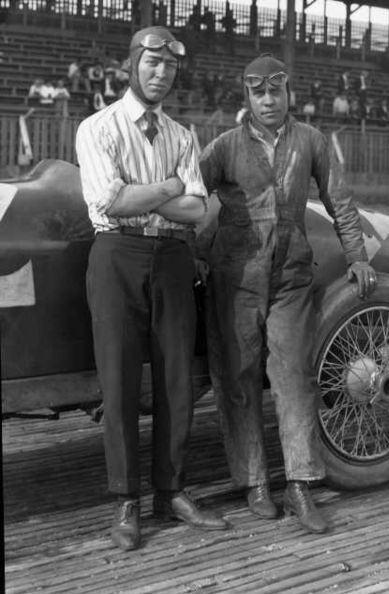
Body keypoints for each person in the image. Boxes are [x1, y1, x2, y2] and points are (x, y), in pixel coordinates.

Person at [198, 53, 377, 534]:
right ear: (247, 97)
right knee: (238, 376)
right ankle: (254, 482)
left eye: (277, 91)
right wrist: (195, 252)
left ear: (289, 94)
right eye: (259, 93)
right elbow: (192, 199)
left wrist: (358, 255)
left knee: (294, 376)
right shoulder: (224, 147)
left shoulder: (312, 141)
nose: (269, 100)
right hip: (234, 278)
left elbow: (339, 200)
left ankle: (299, 484)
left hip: (290, 277)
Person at [75, 25, 229, 552]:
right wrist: (168, 189)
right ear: (133, 65)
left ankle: (173, 490)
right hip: (117, 254)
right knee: (118, 381)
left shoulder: (183, 136)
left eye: (169, 67)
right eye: (152, 64)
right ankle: (126, 500)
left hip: (171, 258)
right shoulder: (97, 128)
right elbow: (109, 202)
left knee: (176, 381)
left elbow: (198, 209)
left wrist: (150, 195)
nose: (161, 74)